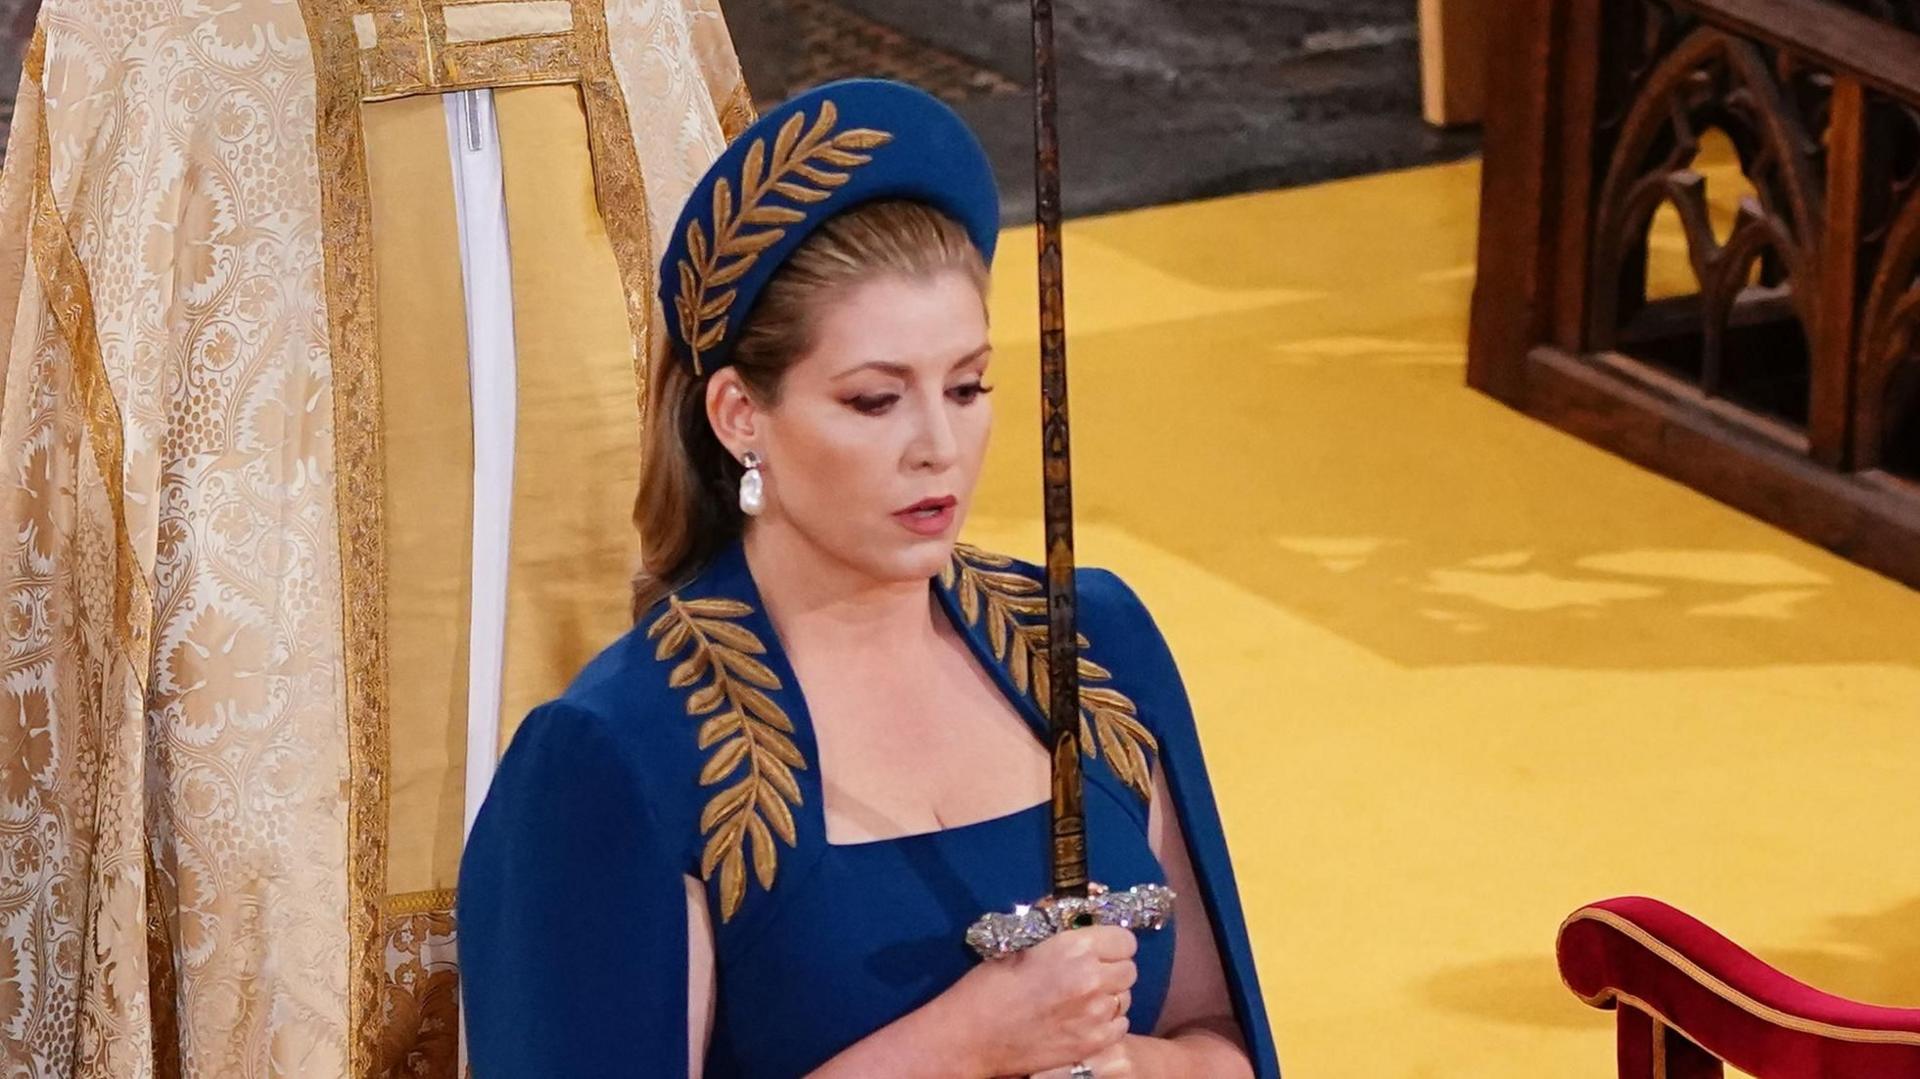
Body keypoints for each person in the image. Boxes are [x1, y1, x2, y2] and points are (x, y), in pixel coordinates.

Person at [459, 79, 1280, 1078]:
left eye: (969, 386)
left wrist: (1137, 1067)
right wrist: (968, 1043)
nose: (940, 446)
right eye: (875, 399)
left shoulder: (1092, 642)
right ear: (738, 415)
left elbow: (1223, 1041)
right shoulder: (615, 756)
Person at [0, 0, 749, 1070]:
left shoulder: (639, 19)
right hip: (276, 801)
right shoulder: (166, 30)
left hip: (605, 744)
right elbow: (67, 509)